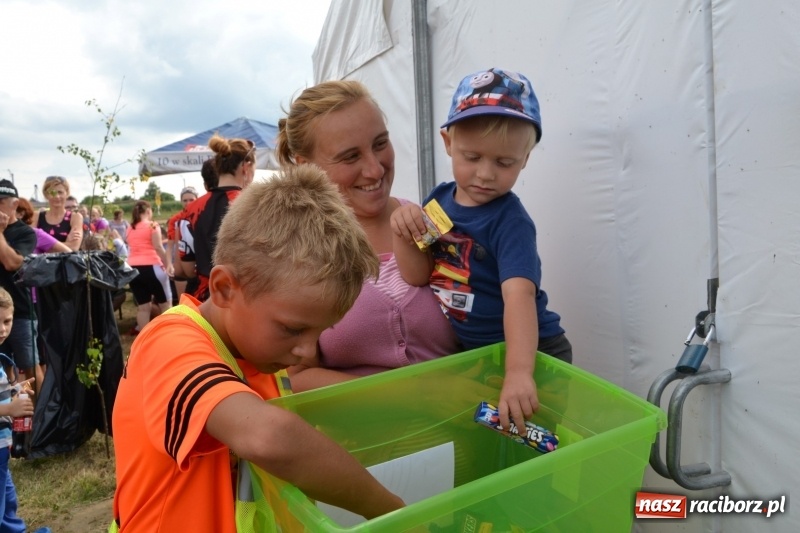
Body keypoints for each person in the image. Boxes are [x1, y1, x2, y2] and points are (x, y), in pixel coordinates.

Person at [112, 165, 404, 532]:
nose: (306, 351)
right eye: (293, 329)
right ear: (224, 289)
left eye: (320, 331)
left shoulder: (259, 355)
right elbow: (269, 437)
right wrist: (388, 509)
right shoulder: (168, 342)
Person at [390, 68, 572, 433]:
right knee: (489, 442)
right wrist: (402, 231)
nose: (486, 174)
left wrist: (520, 372)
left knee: (533, 446)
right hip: (480, 356)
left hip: (534, 355)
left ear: (525, 158)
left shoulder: (510, 222)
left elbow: (519, 295)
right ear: (447, 143)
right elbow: (418, 274)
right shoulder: (438, 201)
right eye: (472, 157)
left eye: (504, 163)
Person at [278, 80, 460, 392]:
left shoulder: (428, 221)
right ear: (306, 166)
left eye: (380, 144)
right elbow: (295, 378)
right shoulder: (297, 256)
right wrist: (414, 395)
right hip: (361, 439)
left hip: (461, 430)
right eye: (350, 157)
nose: (375, 170)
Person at [177, 136, 255, 301]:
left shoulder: (190, 210)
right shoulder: (253, 205)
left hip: (201, 298)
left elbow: (188, 268)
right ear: (246, 167)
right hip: (242, 300)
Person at [0, 288, 51, 533]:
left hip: (2, 446)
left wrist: (13, 391)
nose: (2, 329)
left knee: (8, 500)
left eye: (7, 321)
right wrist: (10, 407)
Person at [125, 200, 171, 336]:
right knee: (165, 304)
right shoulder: (152, 225)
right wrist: (168, 263)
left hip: (133, 268)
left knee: (143, 307)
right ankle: (169, 334)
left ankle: (144, 337)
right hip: (152, 267)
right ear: (148, 211)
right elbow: (158, 247)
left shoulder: (130, 228)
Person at [165, 185, 199, 303]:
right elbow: (169, 246)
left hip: (197, 268)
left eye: (191, 200)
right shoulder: (175, 219)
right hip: (180, 269)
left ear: (197, 199)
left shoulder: (201, 215)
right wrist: (169, 264)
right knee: (183, 303)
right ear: (181, 201)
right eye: (185, 200)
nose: (188, 203)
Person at [35, 176, 83, 251]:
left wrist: (42, 245)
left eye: (60, 192)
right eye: (52, 193)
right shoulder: (36, 216)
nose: (57, 196)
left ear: (67, 193)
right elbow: (29, 246)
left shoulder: (75, 217)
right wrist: (66, 244)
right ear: (46, 195)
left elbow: (73, 248)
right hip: (40, 263)